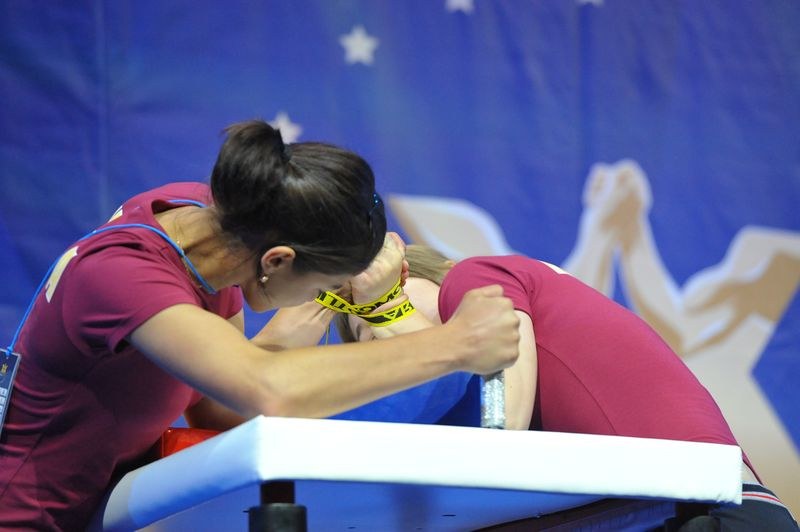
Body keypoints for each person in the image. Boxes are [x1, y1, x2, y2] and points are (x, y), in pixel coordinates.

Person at [0, 120, 521, 531]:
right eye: (327, 285)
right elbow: (267, 390)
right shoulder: (122, 273)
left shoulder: (214, 227)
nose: (330, 298)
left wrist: (321, 302)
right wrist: (457, 343)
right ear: (276, 260)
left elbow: (224, 406)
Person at [335, 245, 800, 531]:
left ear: (423, 274)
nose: (378, 333)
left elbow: (501, 428)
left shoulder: (474, 277)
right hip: (671, 510)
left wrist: (387, 307)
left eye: (383, 308)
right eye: (364, 332)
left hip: (714, 513)